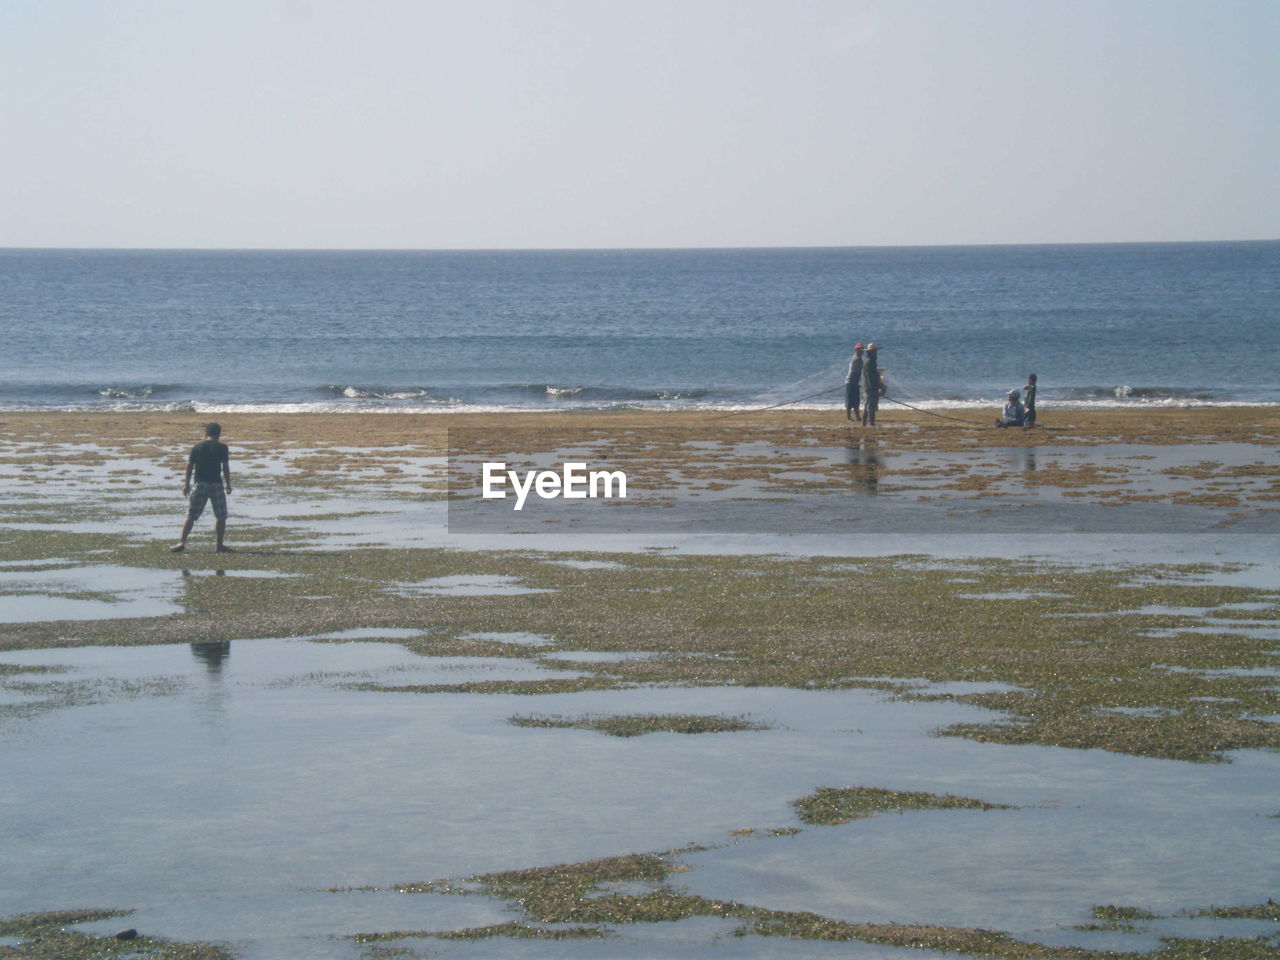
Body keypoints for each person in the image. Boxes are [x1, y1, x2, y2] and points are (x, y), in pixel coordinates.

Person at [172, 422, 232, 552]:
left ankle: (181, 542)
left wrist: (186, 484)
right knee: (221, 516)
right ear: (218, 434)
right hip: (216, 484)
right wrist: (228, 484)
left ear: (206, 434)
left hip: (199, 484)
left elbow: (189, 466)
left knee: (191, 514)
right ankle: (219, 545)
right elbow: (225, 467)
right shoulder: (222, 448)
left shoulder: (197, 447)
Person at [860, 343, 882, 426]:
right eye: (874, 351)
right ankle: (871, 424)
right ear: (870, 352)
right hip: (870, 388)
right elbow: (870, 378)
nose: (875, 353)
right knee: (870, 407)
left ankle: (865, 424)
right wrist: (875, 389)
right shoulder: (869, 362)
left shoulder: (869, 361)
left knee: (867, 406)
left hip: (867, 387)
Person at [844, 343, 865, 421]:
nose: (861, 351)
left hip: (854, 381)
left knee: (856, 400)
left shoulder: (859, 359)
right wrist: (857, 382)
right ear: (856, 350)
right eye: (860, 349)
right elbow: (855, 373)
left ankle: (857, 417)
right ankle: (849, 418)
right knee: (850, 401)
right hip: (851, 382)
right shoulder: (856, 359)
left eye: (862, 349)